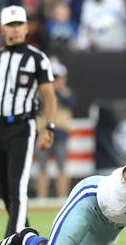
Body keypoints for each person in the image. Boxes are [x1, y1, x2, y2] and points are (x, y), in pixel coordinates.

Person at [0, 5, 57, 237]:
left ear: (26, 27)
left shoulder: (37, 58)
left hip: (22, 127)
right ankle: (26, 236)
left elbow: (49, 96)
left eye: (18, 24)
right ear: (2, 28)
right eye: (10, 25)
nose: (14, 30)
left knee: (18, 188)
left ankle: (12, 239)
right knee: (6, 191)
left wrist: (49, 127)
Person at [36, 57, 75, 198]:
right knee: (41, 167)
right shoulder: (40, 94)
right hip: (43, 132)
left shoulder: (66, 93)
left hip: (60, 132)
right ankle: (42, 197)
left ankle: (63, 197)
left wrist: (58, 90)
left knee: (62, 167)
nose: (55, 80)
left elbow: (71, 103)